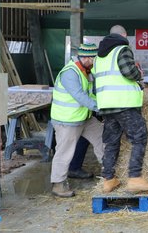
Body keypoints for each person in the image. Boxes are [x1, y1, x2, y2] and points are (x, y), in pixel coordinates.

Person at [93, 25, 148, 193]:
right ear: (124, 35)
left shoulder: (98, 57)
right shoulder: (122, 49)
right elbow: (129, 71)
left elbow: (95, 84)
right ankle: (135, 178)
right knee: (139, 136)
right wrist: (139, 75)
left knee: (112, 142)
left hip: (106, 106)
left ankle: (108, 179)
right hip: (124, 103)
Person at [50, 43, 105, 197]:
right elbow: (80, 97)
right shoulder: (70, 73)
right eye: (94, 59)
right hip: (67, 120)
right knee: (64, 152)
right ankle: (58, 185)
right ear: (86, 58)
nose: (95, 62)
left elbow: (90, 95)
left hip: (84, 117)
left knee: (103, 137)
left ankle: (109, 173)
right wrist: (101, 108)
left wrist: (104, 103)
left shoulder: (86, 71)